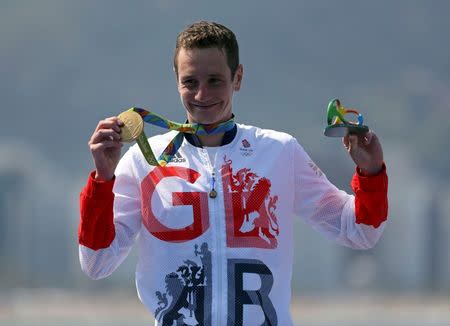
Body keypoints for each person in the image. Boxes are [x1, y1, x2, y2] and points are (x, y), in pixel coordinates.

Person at [78, 21, 388, 326]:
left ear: (237, 77)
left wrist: (370, 172)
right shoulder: (143, 161)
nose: (201, 94)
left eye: (215, 81)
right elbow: (96, 263)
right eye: (190, 82)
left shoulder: (280, 152)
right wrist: (103, 181)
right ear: (176, 80)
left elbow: (359, 231)